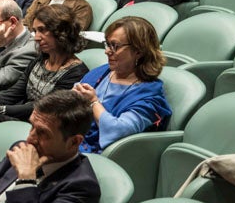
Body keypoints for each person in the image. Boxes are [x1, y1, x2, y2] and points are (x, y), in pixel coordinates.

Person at [73, 16, 172, 153]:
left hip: (97, 158)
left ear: (139, 51)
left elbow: (118, 131)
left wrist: (93, 102)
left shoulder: (149, 97)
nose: (107, 51)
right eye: (107, 44)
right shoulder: (102, 72)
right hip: (71, 140)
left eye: (115, 46)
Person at [0, 5, 89, 123]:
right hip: (18, 117)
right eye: (35, 31)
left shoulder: (76, 73)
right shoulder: (40, 60)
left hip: (40, 124)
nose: (37, 37)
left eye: (42, 30)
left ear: (62, 32)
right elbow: (14, 93)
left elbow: (41, 106)